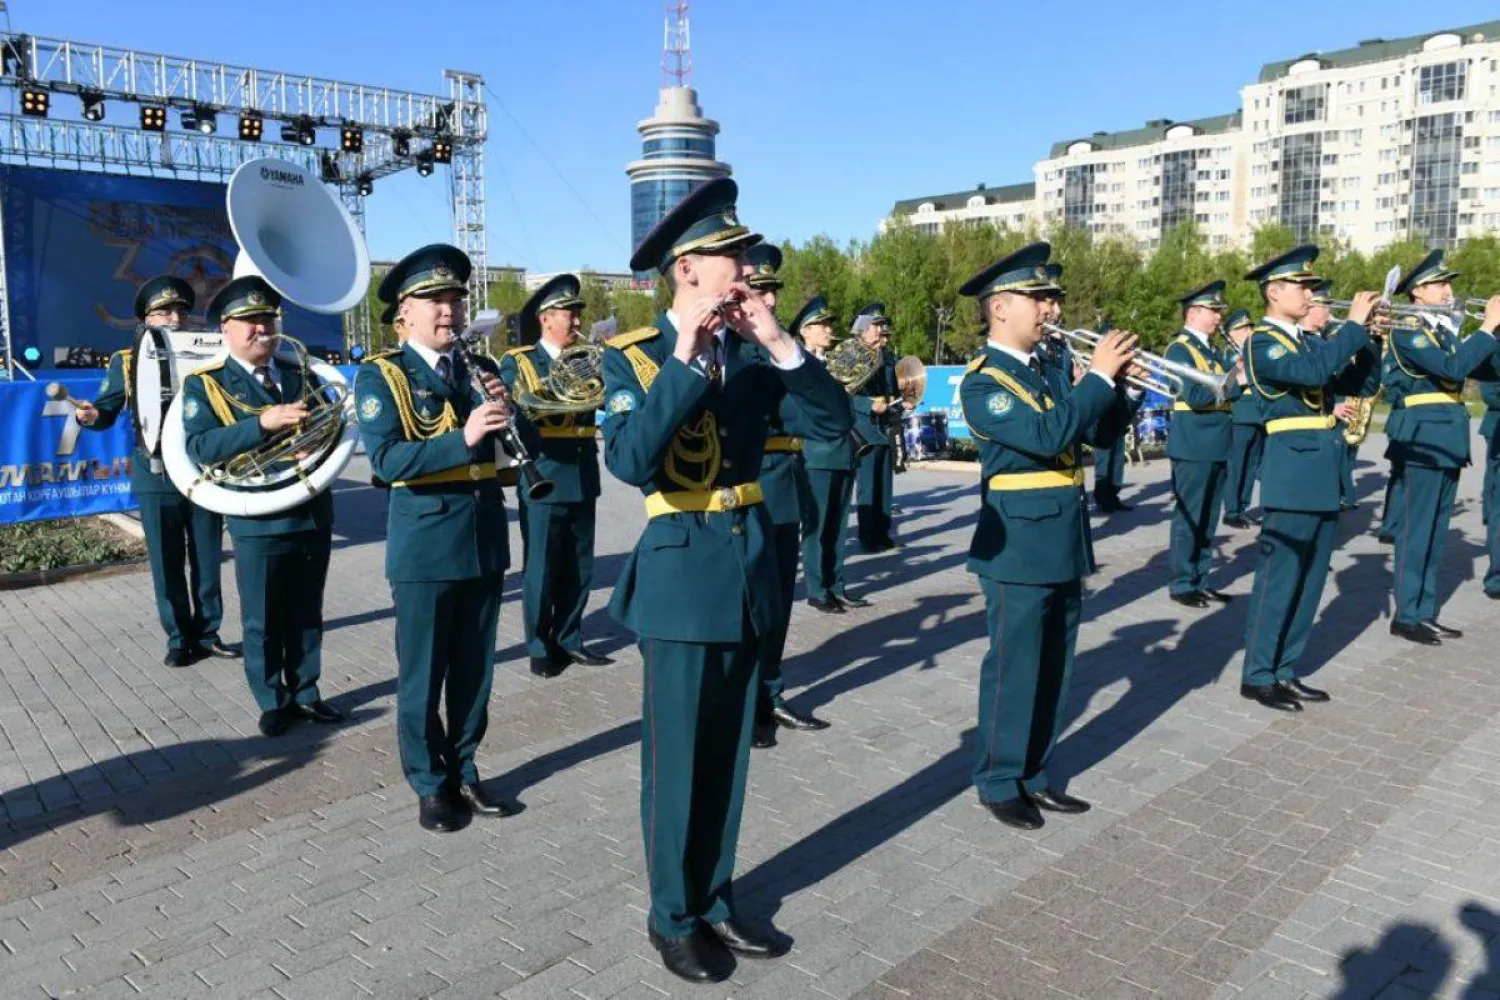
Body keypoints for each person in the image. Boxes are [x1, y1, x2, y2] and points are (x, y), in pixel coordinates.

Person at [602, 178, 851, 983]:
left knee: (728, 761)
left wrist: (781, 344)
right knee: (679, 759)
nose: (744, 268)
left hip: (747, 570)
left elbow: (833, 423)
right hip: (680, 575)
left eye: (745, 254)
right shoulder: (631, 357)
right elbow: (631, 462)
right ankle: (671, 914)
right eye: (729, 256)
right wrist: (681, 363)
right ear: (686, 270)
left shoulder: (756, 354)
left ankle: (713, 897)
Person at [957, 241, 1137, 831]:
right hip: (1016, 543)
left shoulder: (1051, 369)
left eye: (1052, 299)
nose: (1052, 310)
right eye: (1041, 299)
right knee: (1016, 667)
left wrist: (1117, 388)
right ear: (1001, 307)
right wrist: (1096, 381)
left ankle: (1035, 773)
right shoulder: (984, 382)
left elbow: (1098, 434)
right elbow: (1046, 433)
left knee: (1056, 666)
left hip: (1062, 534)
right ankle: (998, 779)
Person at [354, 244, 516, 831]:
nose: (450, 310)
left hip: (483, 539)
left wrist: (511, 417)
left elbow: (513, 455)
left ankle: (465, 769)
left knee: (476, 670)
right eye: (436, 300)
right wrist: (466, 435)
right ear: (405, 312)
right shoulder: (383, 374)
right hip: (424, 547)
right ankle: (429, 782)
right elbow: (388, 458)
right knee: (423, 674)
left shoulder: (482, 370)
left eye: (455, 298)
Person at [180, 276, 342, 736]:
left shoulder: (302, 373)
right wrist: (262, 425)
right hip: (258, 518)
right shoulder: (205, 385)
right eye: (250, 322)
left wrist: (320, 448)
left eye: (267, 320)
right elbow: (199, 447)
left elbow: (336, 426)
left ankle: (307, 692)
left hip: (311, 510)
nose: (262, 330)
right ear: (225, 330)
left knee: (308, 612)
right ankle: (272, 700)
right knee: (263, 618)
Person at [1239, 246, 1380, 711]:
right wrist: (1354, 326)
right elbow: (1315, 373)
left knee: (1310, 580)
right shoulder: (1264, 342)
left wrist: (1371, 340)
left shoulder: (1307, 340)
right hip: (1292, 469)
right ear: (1274, 292)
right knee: (1281, 578)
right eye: (1303, 287)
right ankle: (1258, 673)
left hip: (1321, 469)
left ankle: (1285, 669)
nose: (1311, 294)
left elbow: (1355, 384)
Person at [76, 276, 235, 667]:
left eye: (180, 310)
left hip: (202, 471)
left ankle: (209, 632)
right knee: (167, 561)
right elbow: (107, 407)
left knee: (208, 558)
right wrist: (92, 416)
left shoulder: (210, 353)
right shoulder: (127, 360)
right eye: (164, 312)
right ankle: (180, 638)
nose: (175, 318)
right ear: (146, 320)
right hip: (156, 472)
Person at [1381, 250, 1500, 644]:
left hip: (1446, 437)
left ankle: (1424, 611)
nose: (1449, 289)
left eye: (1448, 282)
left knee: (1435, 532)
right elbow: (1451, 369)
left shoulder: (1443, 329)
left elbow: (1479, 367)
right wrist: (1487, 328)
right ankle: (1406, 614)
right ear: (1418, 292)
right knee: (1417, 530)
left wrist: (1493, 336)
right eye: (1441, 283)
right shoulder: (1408, 328)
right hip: (1422, 438)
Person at [739, 245, 831, 750]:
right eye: (763, 288)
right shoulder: (747, 349)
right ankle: (748, 700)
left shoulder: (779, 346)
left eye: (775, 290)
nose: (772, 298)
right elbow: (796, 414)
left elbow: (823, 417)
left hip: (786, 482)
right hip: (754, 485)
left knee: (777, 607)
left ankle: (769, 691)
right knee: (752, 607)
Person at [499, 274, 612, 677]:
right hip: (544, 473)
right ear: (547, 318)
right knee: (542, 567)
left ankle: (570, 637)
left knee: (580, 565)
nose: (577, 322)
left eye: (578, 314)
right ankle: (538, 644)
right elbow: (516, 412)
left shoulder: (584, 357)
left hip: (582, 471)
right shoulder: (520, 360)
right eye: (570, 314)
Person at [1165, 281, 1242, 608]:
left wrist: (1236, 377)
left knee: (1209, 516)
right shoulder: (1180, 349)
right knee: (1190, 516)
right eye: (1213, 311)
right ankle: (1183, 582)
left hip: (1217, 441)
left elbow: (1233, 393)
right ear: (1194, 312)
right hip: (1194, 443)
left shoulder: (1211, 350)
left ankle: (1202, 577)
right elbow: (1195, 396)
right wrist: (1232, 380)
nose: (1217, 318)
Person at [793, 295, 861, 614]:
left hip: (843, 452)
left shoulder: (837, 365)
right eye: (822, 325)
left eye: (829, 325)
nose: (828, 330)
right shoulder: (798, 367)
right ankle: (817, 588)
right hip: (817, 454)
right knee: (817, 526)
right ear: (805, 331)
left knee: (839, 523)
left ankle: (836, 584)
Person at [851, 304, 899, 551]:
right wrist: (868, 405)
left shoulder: (886, 356)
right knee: (868, 484)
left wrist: (903, 402)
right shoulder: (852, 355)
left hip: (884, 424)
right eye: (877, 326)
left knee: (884, 483)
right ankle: (868, 536)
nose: (882, 330)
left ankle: (883, 532)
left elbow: (893, 389)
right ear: (864, 329)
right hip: (864, 426)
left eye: (882, 326)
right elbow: (844, 393)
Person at [1221, 310, 1262, 529]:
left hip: (1258, 414)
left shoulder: (1254, 351)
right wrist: (1240, 371)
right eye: (1243, 329)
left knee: (1251, 465)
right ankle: (1231, 510)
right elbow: (1227, 385)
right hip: (1240, 415)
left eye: (1250, 327)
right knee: (1236, 465)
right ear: (1231, 333)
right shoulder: (1228, 353)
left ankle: (1243, 507)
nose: (1249, 331)